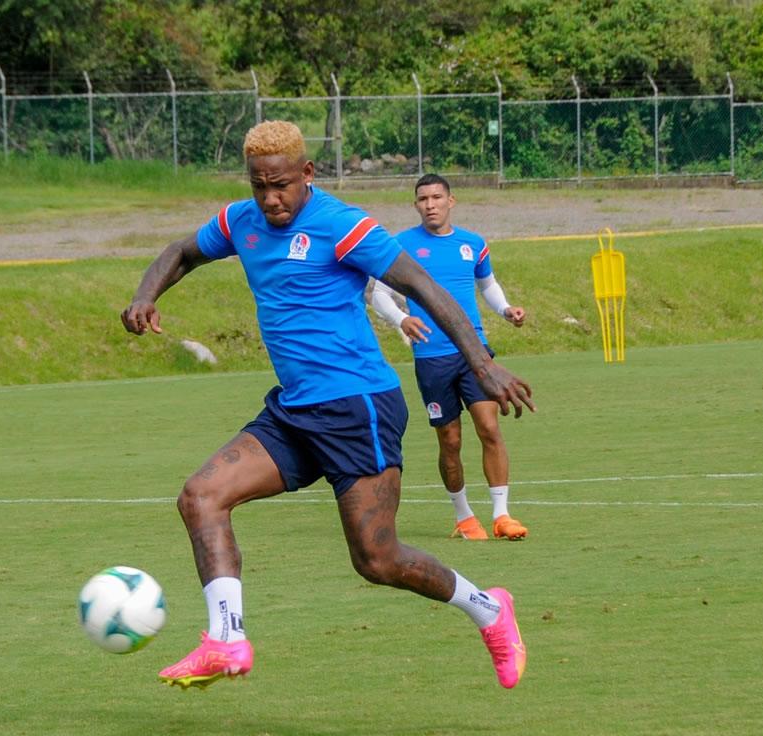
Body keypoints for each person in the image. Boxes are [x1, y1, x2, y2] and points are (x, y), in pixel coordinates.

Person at [121, 121, 535, 691]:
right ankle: (225, 639)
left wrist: (482, 363)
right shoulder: (240, 220)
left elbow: (422, 286)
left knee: (377, 559)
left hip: (358, 405)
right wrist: (145, 295)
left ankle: (490, 609)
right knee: (200, 497)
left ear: (307, 174)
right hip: (294, 410)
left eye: (282, 185)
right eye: (260, 185)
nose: (271, 198)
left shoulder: (341, 225)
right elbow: (181, 252)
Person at [370, 175, 529, 541]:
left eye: (436, 197)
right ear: (416, 205)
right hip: (432, 358)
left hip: (474, 354)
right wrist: (402, 318)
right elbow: (378, 293)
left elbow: (487, 284)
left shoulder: (472, 244)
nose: (430, 204)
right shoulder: (401, 246)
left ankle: (502, 516)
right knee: (450, 440)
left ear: (451, 201)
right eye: (423, 198)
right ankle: (464, 517)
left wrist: (505, 309)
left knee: (489, 428)